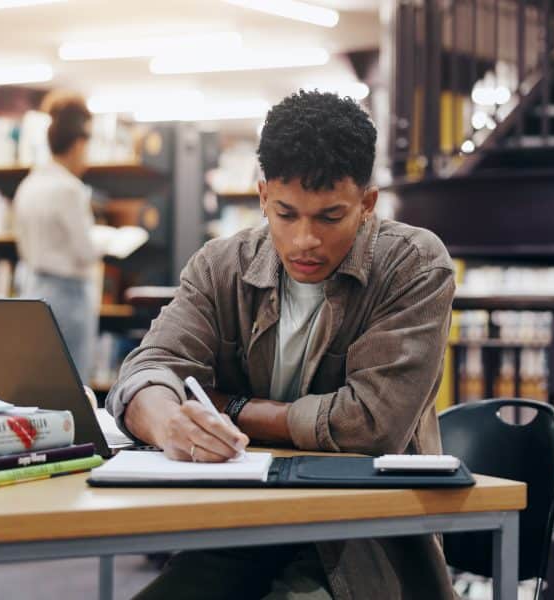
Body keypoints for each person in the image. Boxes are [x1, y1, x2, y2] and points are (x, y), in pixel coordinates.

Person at [106, 90, 457, 600]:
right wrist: (168, 421)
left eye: (330, 217)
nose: (303, 241)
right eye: (286, 214)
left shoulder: (415, 264)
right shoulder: (219, 264)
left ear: (367, 204)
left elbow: (370, 425)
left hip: (359, 541)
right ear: (262, 195)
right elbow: (148, 369)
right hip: (236, 528)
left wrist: (232, 408)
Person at [14, 91, 100, 382]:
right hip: (69, 295)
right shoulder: (70, 189)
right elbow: (85, 250)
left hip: (32, 286)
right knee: (72, 381)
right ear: (78, 145)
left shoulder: (29, 184)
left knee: (39, 380)